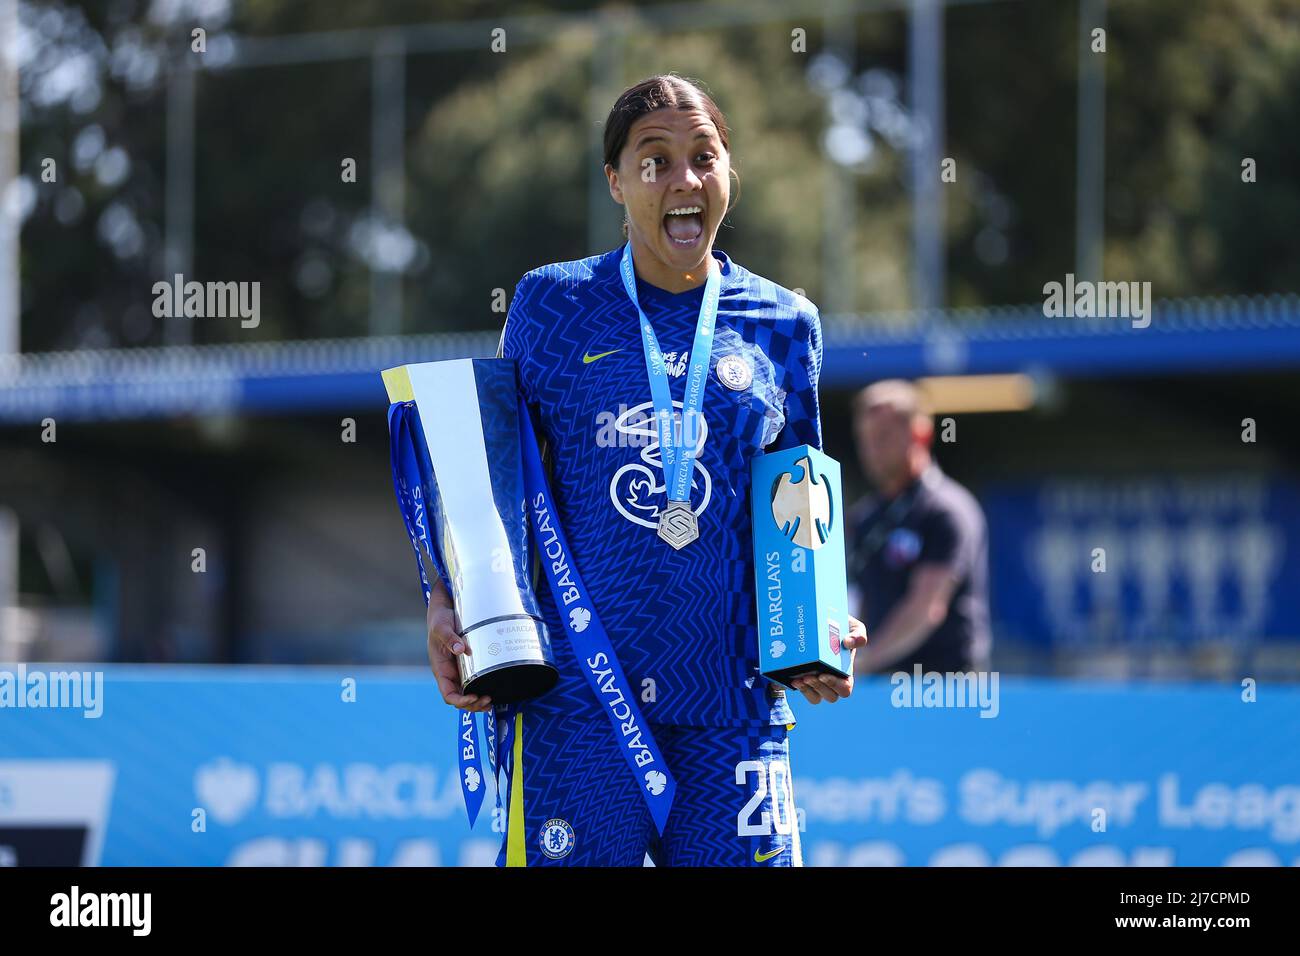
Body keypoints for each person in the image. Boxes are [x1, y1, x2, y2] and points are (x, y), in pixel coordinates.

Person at [423, 74, 866, 867]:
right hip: (576, 709)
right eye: (655, 161)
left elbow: (799, 505)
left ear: (730, 172)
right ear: (617, 183)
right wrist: (445, 597)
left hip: (731, 711)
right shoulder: (551, 305)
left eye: (704, 156)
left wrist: (822, 624)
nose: (684, 179)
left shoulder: (785, 325)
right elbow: (493, 480)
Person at [847, 380, 991, 676]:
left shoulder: (947, 510)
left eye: (884, 436)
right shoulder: (864, 517)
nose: (872, 450)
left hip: (947, 689)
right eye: (865, 439)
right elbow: (859, 601)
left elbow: (926, 608)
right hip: (881, 688)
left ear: (920, 435)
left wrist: (864, 663)